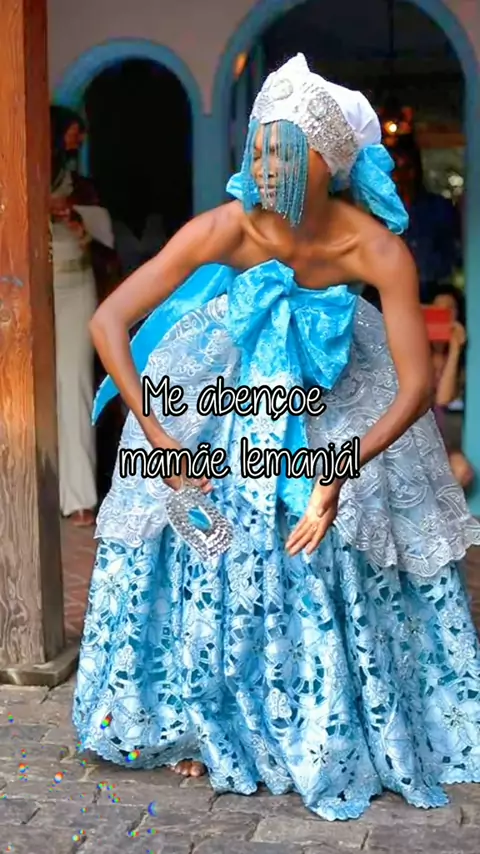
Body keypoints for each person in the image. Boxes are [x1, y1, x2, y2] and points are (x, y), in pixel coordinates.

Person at [73, 55, 480, 821]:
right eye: (257, 148)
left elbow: (417, 387)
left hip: (332, 398)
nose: (264, 167)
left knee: (336, 552)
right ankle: (206, 721)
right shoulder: (229, 226)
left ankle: (322, 723)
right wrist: (157, 435)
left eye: (283, 152)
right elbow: (108, 321)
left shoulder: (377, 250)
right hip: (227, 392)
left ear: (329, 163)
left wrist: (338, 470)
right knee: (211, 550)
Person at [50, 106, 98, 526]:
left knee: (75, 382)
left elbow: (100, 236)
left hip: (75, 284)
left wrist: (77, 219)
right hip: (27, 286)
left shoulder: (77, 183)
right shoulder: (19, 173)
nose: (78, 140)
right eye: (72, 132)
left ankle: (79, 496)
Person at [391, 141, 461, 304]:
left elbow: (453, 253)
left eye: (407, 168)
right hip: (392, 293)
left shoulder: (439, 207)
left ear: (417, 170)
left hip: (434, 291)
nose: (399, 176)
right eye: (394, 170)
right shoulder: (381, 213)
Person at [431, 284, 474, 489]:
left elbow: (444, 398)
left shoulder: (465, 357)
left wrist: (455, 347)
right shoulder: (417, 350)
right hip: (420, 439)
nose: (442, 313)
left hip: (448, 439)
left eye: (449, 309)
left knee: (462, 470)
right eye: (437, 308)